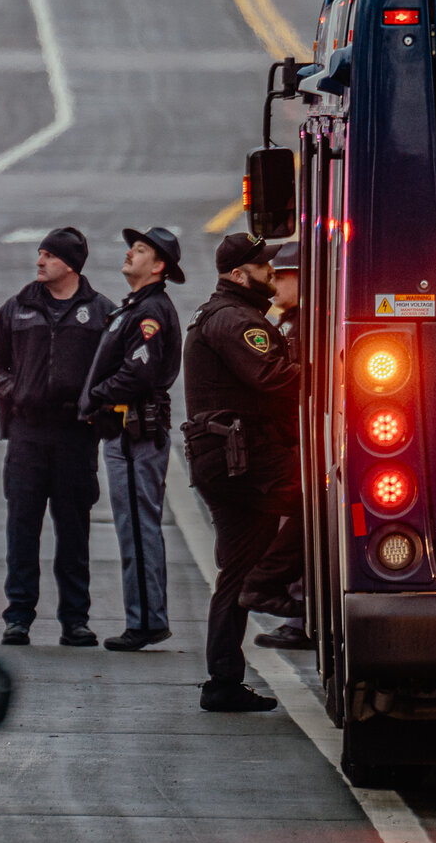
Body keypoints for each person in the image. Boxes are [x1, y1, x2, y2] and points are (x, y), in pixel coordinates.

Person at [182, 233, 300, 711]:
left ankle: (222, 683)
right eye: (262, 264)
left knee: (235, 571)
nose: (270, 271)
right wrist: (333, 367)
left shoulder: (227, 314)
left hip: (227, 460)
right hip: (244, 462)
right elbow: (270, 377)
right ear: (238, 274)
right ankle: (268, 586)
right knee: (327, 505)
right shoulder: (235, 320)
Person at [0, 227, 110, 647]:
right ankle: (18, 617)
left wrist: (95, 403)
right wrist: (14, 390)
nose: (39, 262)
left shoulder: (101, 313)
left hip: (75, 436)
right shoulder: (17, 310)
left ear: (70, 265)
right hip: (27, 435)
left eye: (48, 256)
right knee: (22, 529)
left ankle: (75, 620)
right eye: (39, 254)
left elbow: (116, 369)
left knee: (74, 532)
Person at [80, 226, 184, 651]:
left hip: (134, 431)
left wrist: (97, 397)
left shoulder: (150, 311)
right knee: (132, 527)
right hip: (124, 431)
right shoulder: (135, 307)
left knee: (139, 529)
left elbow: (139, 372)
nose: (129, 254)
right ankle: (144, 615)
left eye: (140, 250)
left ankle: (145, 621)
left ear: (158, 266)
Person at [243, 240, 309, 652]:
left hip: (298, 443)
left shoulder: (304, 325)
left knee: (300, 530)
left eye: (283, 276)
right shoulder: (287, 322)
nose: (275, 283)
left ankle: (300, 615)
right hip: (285, 442)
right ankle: (297, 615)